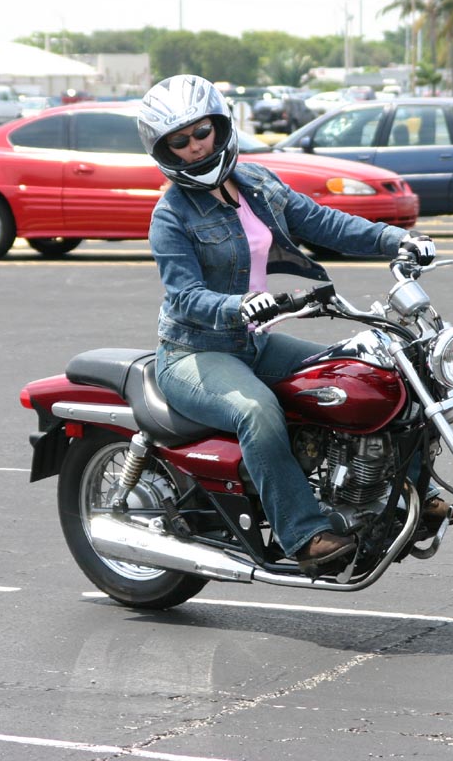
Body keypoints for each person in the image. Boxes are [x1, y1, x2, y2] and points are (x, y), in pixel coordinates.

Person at [136, 75, 436, 573]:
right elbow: (184, 296)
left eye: (202, 131)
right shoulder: (171, 215)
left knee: (377, 374)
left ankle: (407, 498)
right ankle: (304, 534)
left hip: (254, 344)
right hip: (194, 352)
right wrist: (239, 305)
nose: (196, 146)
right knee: (257, 411)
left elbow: (323, 222)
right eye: (180, 141)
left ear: (220, 126)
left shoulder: (257, 183)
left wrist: (395, 240)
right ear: (164, 151)